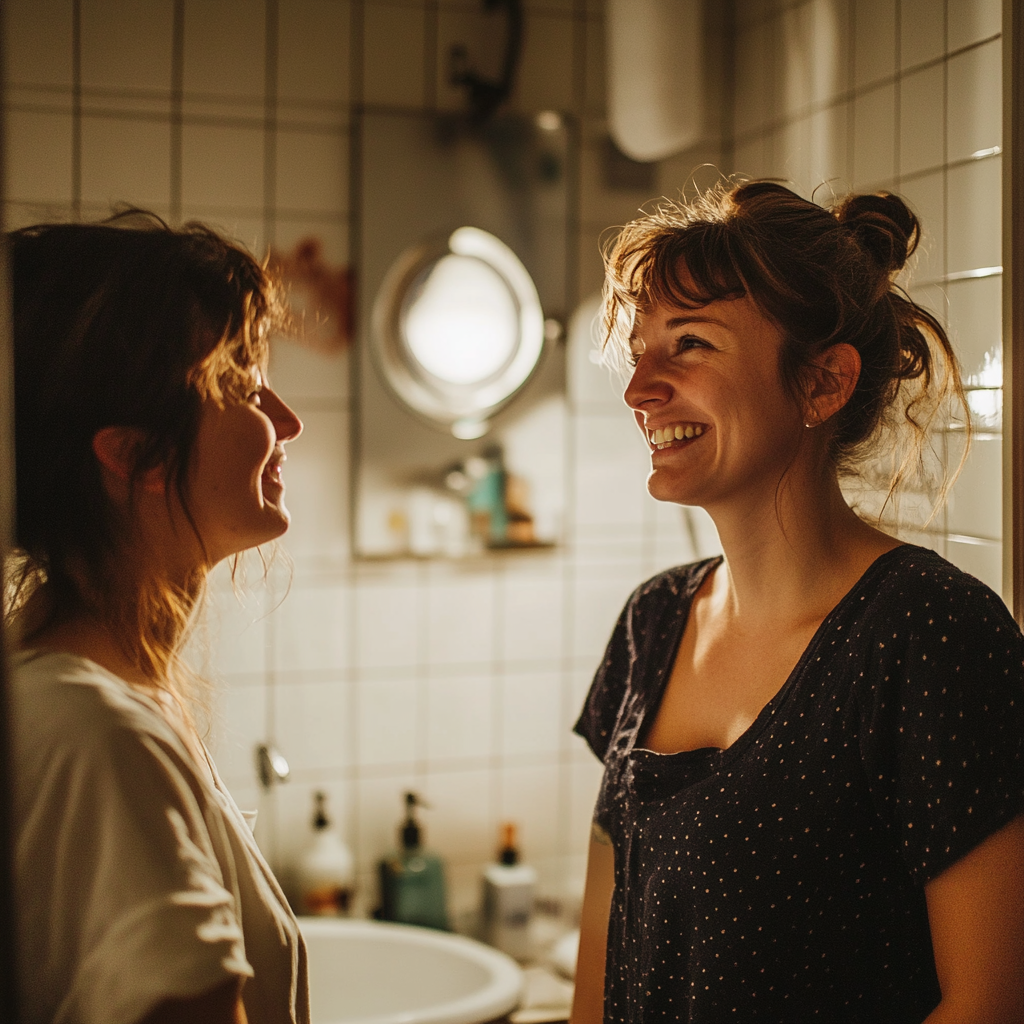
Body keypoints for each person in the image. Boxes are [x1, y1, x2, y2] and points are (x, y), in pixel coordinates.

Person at [570, 181, 1024, 1023]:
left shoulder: (929, 633)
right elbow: (601, 958)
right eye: (640, 351)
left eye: (691, 344)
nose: (641, 390)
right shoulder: (652, 621)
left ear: (822, 385)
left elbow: (990, 1002)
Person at [5, 212, 307, 1024]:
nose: (286, 422)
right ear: (133, 455)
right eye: (241, 385)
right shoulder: (96, 733)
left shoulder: (99, 691)